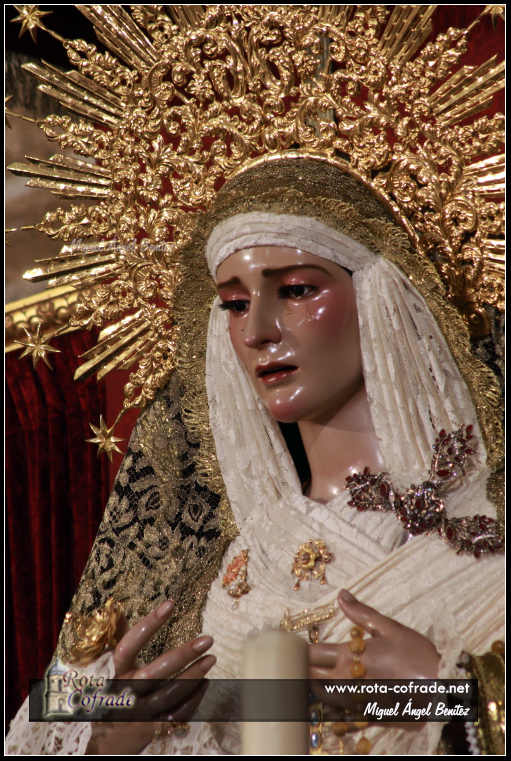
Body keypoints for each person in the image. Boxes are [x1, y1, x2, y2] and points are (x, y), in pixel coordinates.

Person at [6, 156, 504, 755]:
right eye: (236, 304)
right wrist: (101, 740)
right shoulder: (207, 564)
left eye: (295, 290)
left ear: (380, 294)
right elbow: (44, 725)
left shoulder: (488, 535)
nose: (256, 331)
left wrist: (448, 699)